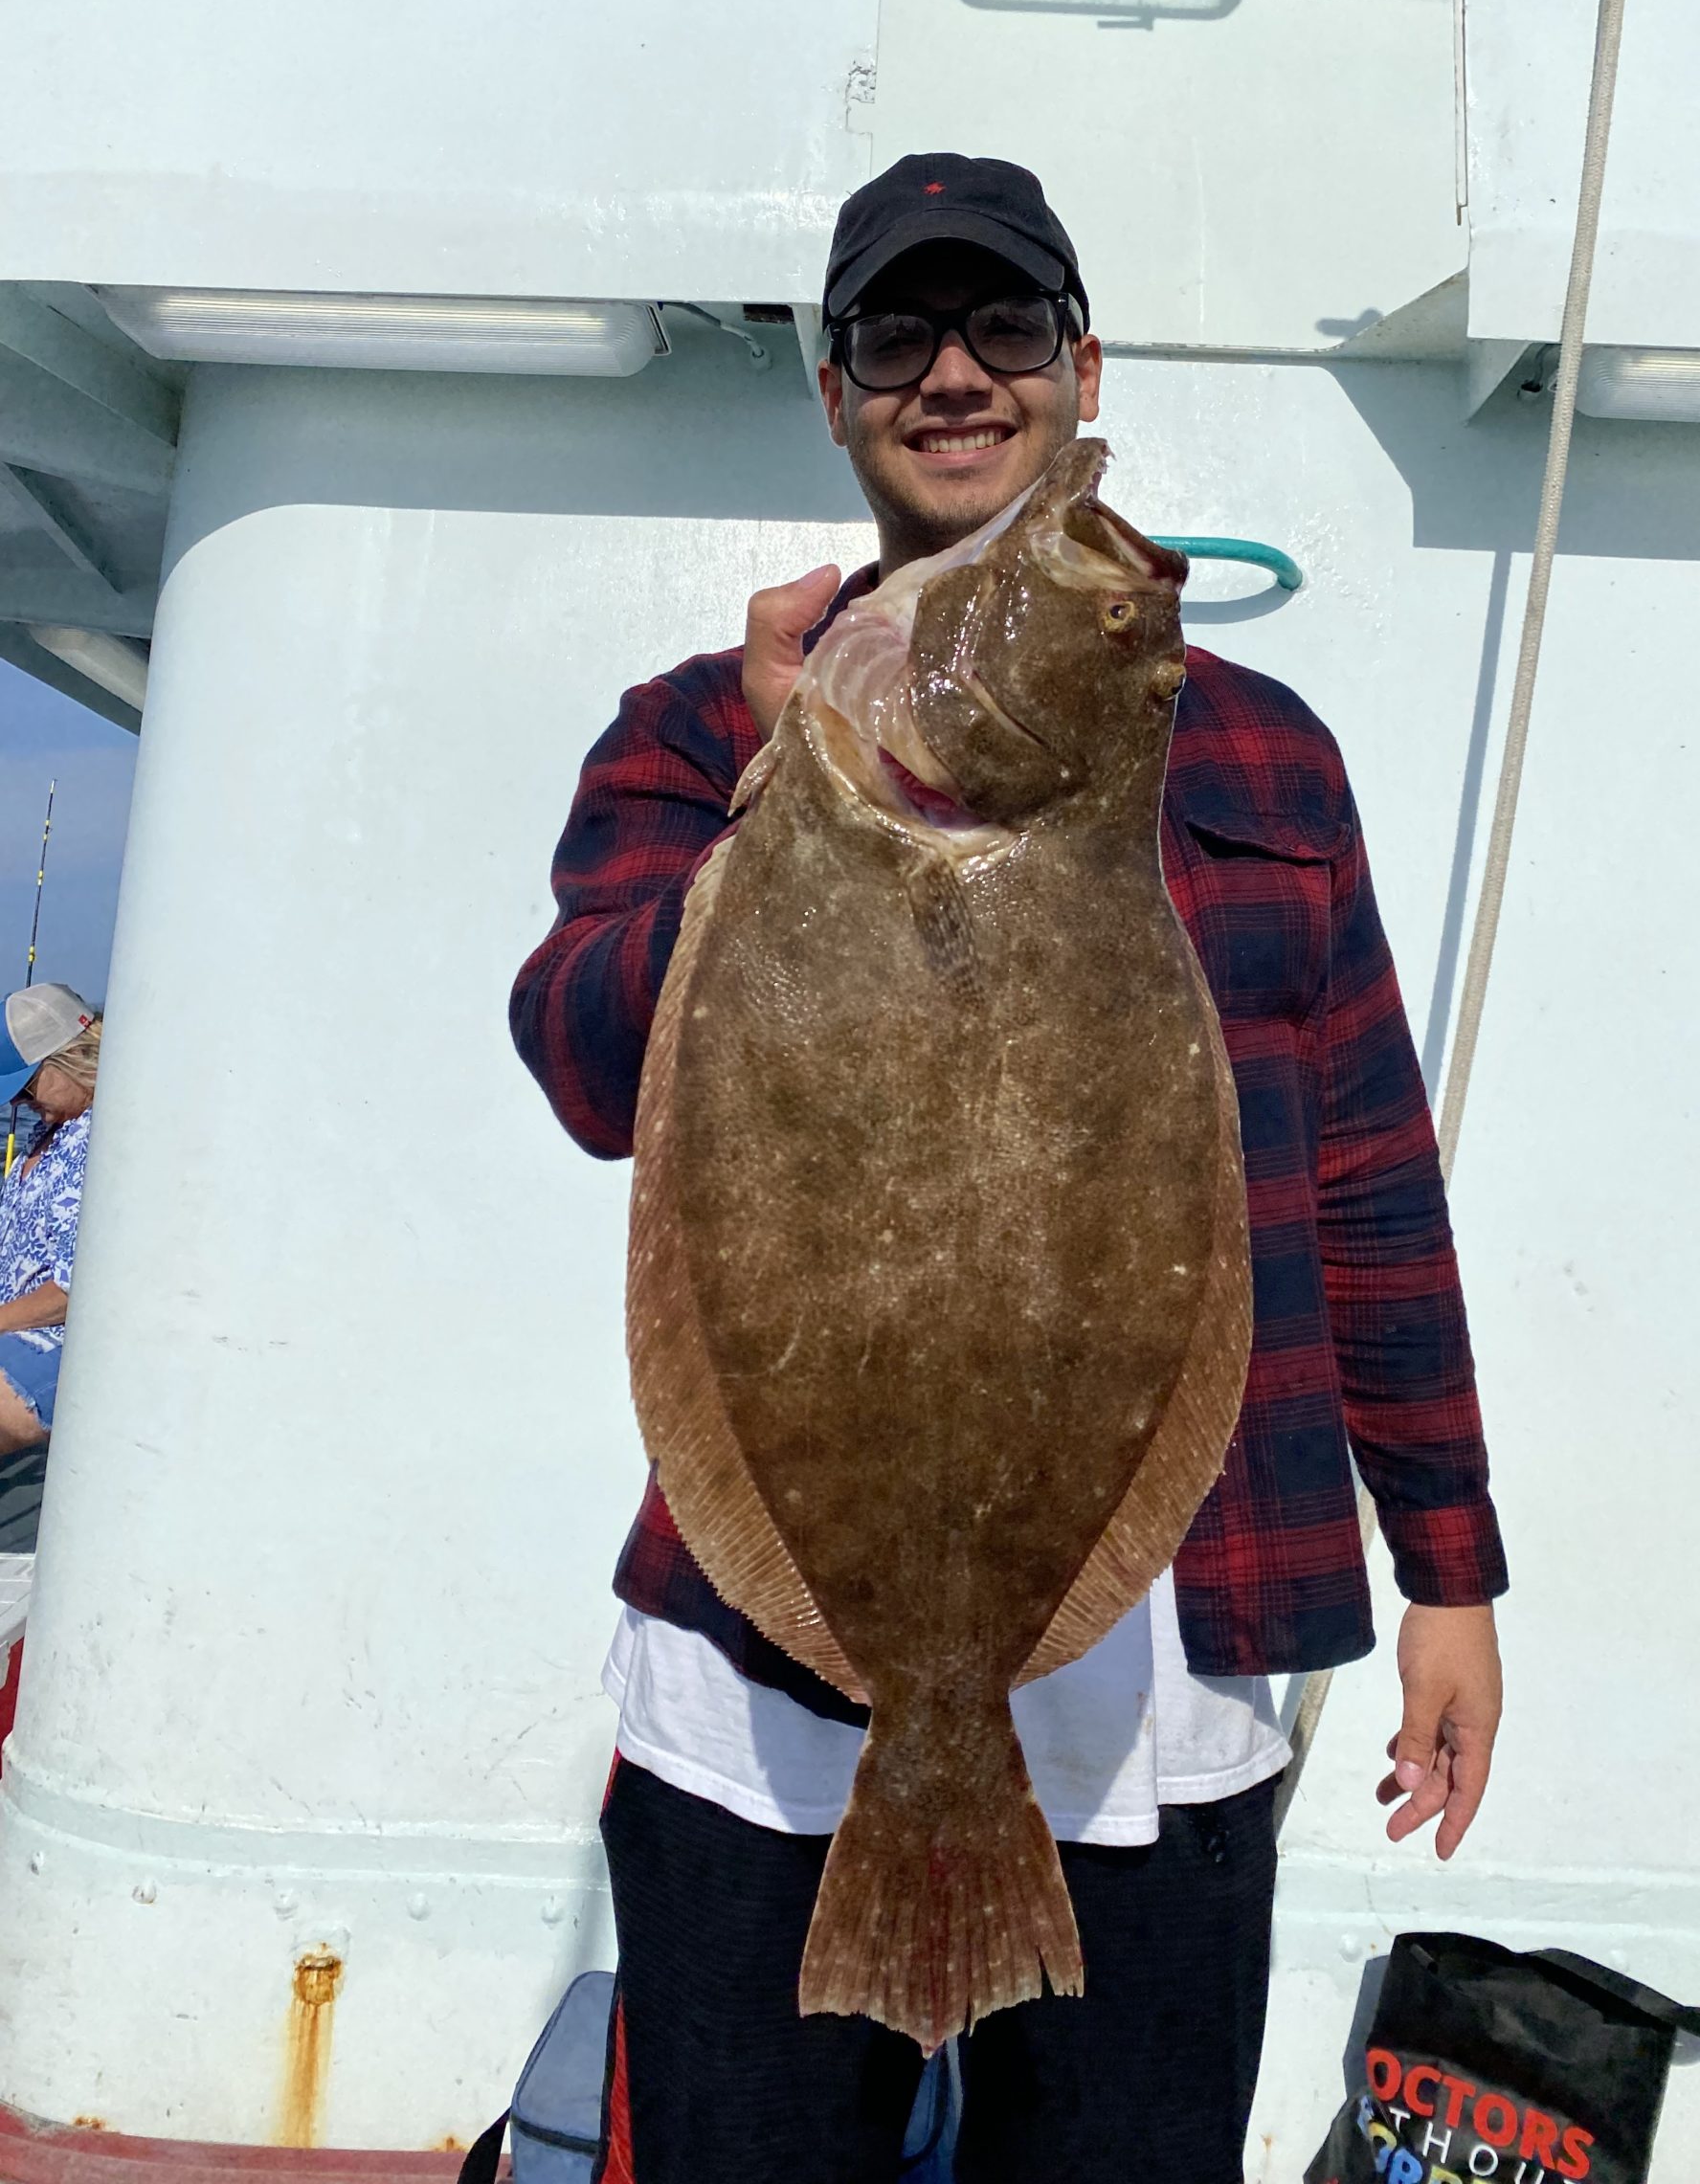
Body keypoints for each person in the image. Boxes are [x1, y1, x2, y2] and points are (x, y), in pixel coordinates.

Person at [511, 154, 1507, 2184]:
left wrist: (1453, 1568)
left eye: (1007, 331)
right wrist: (785, 802)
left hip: (1178, 1679)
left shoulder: (1261, 756)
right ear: (833, 391)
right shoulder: (702, 737)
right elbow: (587, 1058)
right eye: (897, 334)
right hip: (769, 1706)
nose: (953, 374)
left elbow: (1371, 1178)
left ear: (1080, 368)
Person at [0, 986, 102, 1543]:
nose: (18, 1104)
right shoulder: (50, 1128)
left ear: (70, 1059)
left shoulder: (109, 1140)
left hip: (55, 1343)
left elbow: (73, 1289)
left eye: (28, 1086)